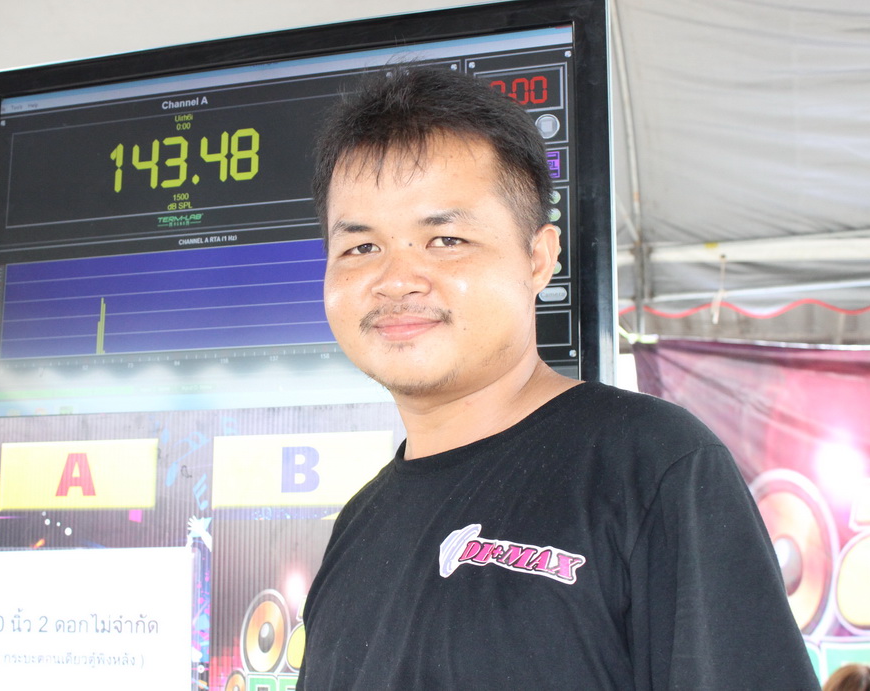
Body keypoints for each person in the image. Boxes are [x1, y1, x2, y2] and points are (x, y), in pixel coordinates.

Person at [295, 65, 819, 689]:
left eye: (446, 239)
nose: (397, 279)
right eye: (361, 248)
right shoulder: (359, 523)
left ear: (538, 259)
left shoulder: (651, 465)